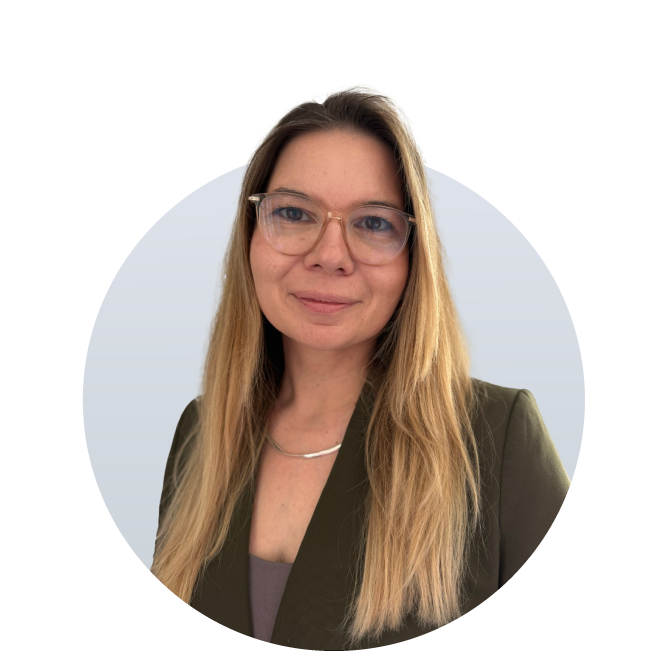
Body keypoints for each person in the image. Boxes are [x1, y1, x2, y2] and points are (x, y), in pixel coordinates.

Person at [151, 84, 570, 650]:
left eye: (373, 223)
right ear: (250, 237)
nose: (329, 255)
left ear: (413, 257)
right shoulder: (199, 432)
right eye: (293, 213)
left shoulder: (496, 437)